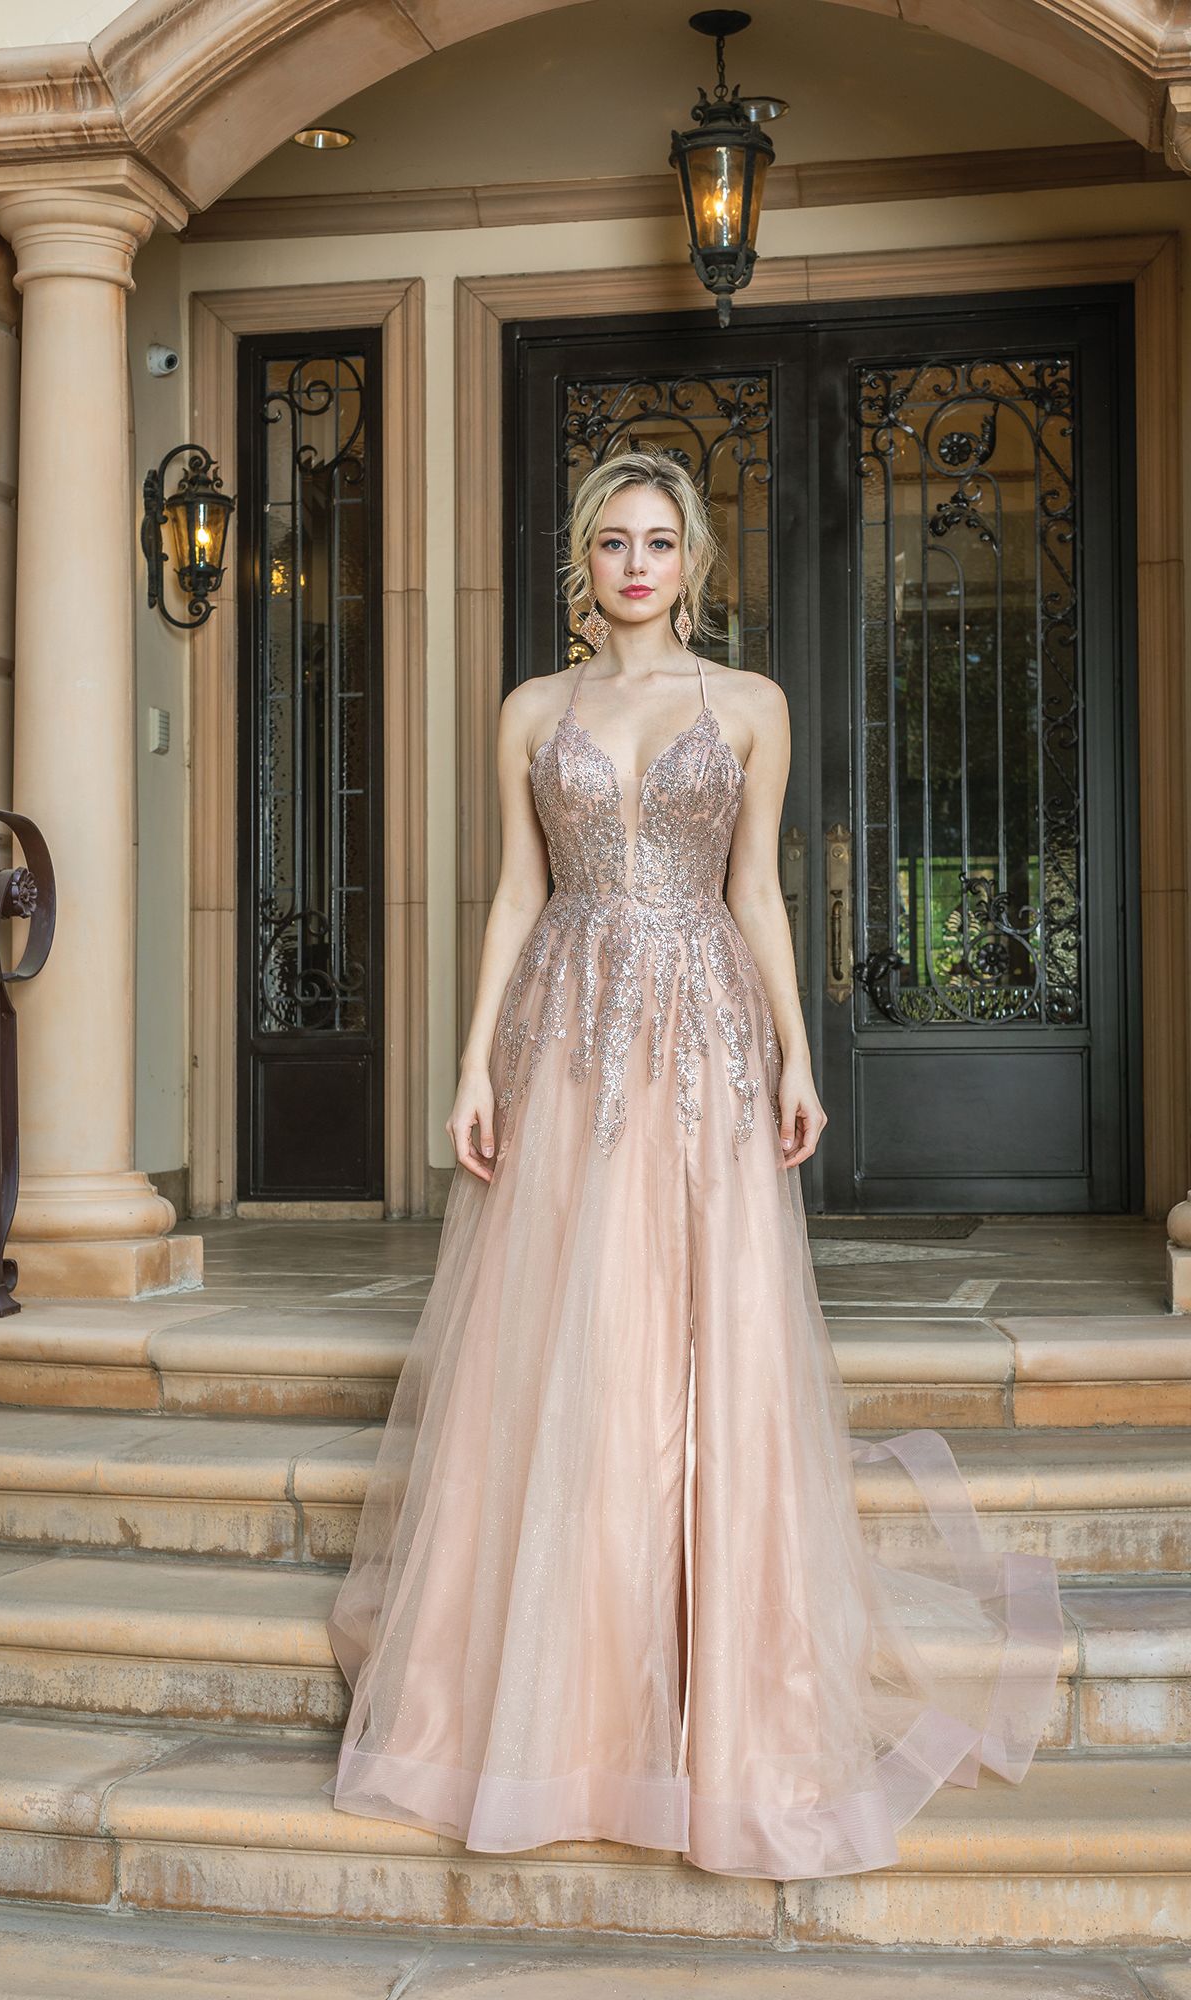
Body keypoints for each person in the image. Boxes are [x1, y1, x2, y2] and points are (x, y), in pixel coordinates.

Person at [324, 444, 1063, 1881]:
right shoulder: (534, 709)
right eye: (614, 541)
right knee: (581, 1341)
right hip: (575, 1034)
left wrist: (795, 1052)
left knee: (705, 1340)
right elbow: (515, 891)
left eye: (662, 541)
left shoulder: (752, 705)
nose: (639, 564)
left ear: (697, 562)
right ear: (584, 564)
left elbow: (757, 891)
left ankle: (721, 1692)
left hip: (707, 1038)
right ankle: (564, 1704)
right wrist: (471, 1063)